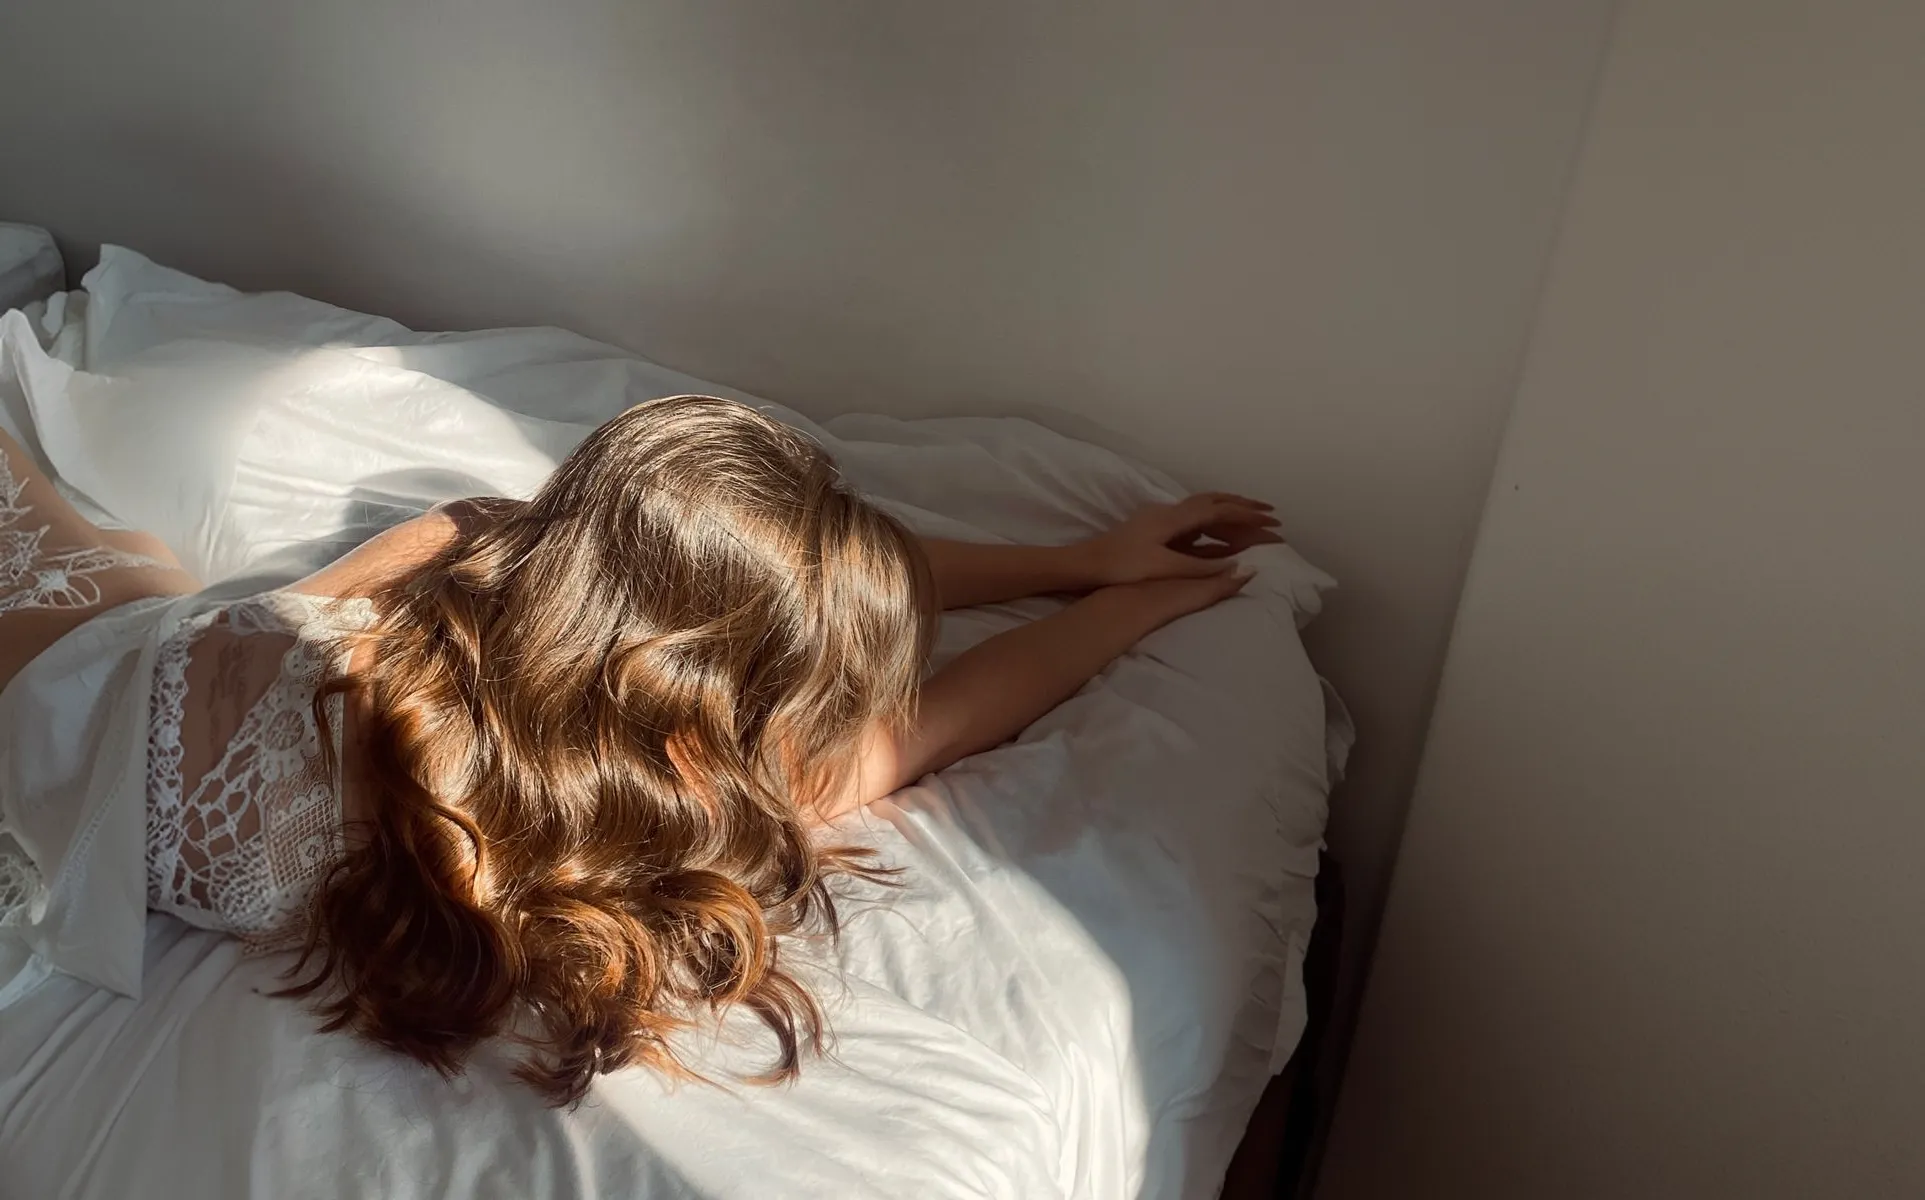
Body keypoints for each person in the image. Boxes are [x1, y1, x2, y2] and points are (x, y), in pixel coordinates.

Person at [0, 395, 1279, 1105]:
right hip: (147, 684)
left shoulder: (480, 560)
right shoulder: (705, 788)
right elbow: (963, 697)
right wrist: (1101, 589)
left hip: (144, 688)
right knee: (101, 564)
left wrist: (1086, 571)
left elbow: (807, 598)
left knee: (97, 560)